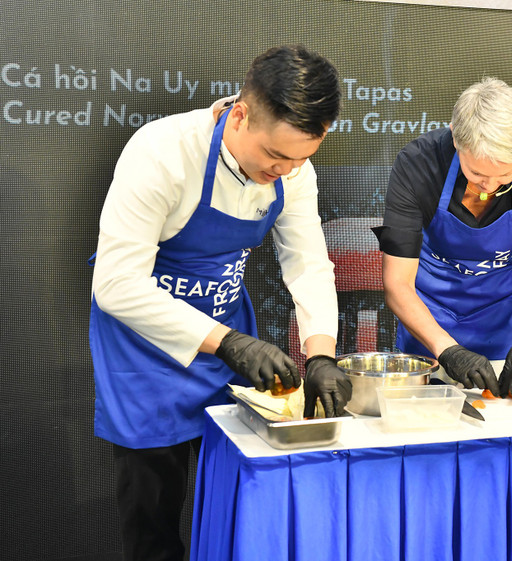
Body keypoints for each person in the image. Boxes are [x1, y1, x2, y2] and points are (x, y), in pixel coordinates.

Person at [89, 45, 352, 561]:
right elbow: (116, 283)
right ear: (240, 115)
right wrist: (228, 342)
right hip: (144, 355)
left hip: (227, 351)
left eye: (301, 159)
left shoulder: (294, 171)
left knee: (234, 504)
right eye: (275, 156)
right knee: (153, 524)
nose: (285, 170)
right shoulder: (163, 152)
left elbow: (307, 263)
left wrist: (320, 352)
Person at [374, 77, 512, 398]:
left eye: (504, 177)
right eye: (478, 174)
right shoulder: (419, 165)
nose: (490, 187)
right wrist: (448, 350)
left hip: (507, 318)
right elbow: (397, 284)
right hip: (429, 315)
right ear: (456, 138)